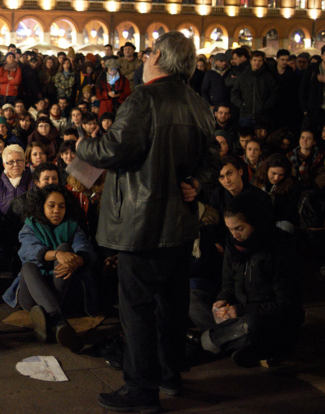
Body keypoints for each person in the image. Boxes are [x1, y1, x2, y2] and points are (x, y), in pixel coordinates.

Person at [76, 32, 219, 412]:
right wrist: (197, 183)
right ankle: (169, 376)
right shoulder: (197, 102)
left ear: (156, 56)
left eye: (146, 53)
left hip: (142, 223)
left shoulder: (145, 98)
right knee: (171, 305)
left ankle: (141, 389)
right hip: (180, 225)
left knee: (137, 308)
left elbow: (112, 149)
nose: (141, 60)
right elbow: (214, 155)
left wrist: (81, 146)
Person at [189, 191, 303, 367]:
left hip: (267, 319)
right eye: (230, 229)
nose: (234, 235)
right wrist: (223, 299)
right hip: (238, 314)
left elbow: (286, 305)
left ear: (256, 222)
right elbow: (228, 281)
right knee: (193, 298)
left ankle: (206, 343)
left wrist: (241, 311)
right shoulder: (233, 246)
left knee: (250, 325)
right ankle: (235, 343)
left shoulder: (281, 249)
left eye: (239, 228)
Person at [3, 185, 97, 351]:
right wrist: (56, 254)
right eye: (51, 205)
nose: (56, 211)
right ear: (42, 206)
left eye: (61, 206)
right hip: (32, 293)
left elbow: (85, 247)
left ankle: (50, 318)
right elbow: (27, 251)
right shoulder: (30, 226)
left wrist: (78, 259)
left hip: (63, 291)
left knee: (67, 249)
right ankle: (59, 320)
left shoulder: (72, 227)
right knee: (28, 268)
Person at [230, 51, 278, 128]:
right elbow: (234, 92)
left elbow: (274, 93)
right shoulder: (243, 76)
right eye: (255, 60)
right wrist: (241, 104)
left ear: (263, 62)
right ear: (250, 61)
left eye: (259, 60)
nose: (257, 63)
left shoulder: (268, 77)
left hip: (262, 115)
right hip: (245, 114)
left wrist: (265, 106)